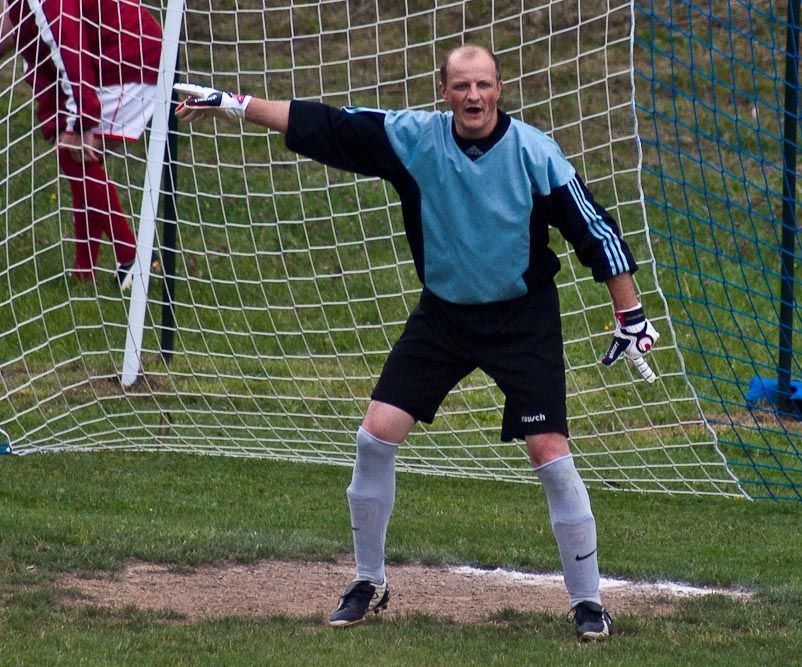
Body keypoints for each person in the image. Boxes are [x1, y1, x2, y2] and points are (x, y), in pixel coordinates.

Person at [174, 44, 659, 642]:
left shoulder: (536, 151)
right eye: (461, 87)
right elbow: (329, 126)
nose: (473, 96)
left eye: (483, 84)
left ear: (499, 88)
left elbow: (596, 232)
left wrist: (630, 313)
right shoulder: (415, 138)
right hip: (445, 317)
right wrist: (234, 105)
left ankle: (588, 603)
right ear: (444, 92)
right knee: (375, 432)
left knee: (548, 450)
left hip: (522, 318)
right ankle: (367, 582)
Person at [0, 0, 162, 290]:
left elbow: (68, 41)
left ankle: (134, 259)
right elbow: (18, 28)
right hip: (113, 56)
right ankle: (84, 270)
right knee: (78, 160)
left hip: (130, 58)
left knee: (75, 154)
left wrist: (82, 119)